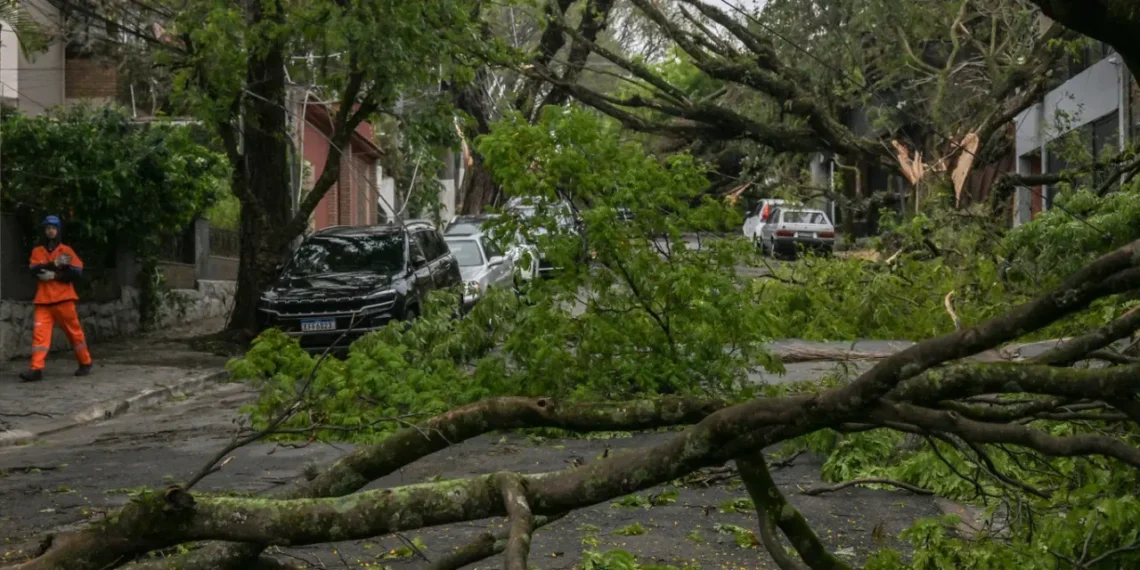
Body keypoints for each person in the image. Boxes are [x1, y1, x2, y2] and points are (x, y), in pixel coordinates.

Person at [19, 216, 93, 382]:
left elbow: (77, 272)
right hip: (43, 301)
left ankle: (85, 362)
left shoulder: (66, 250)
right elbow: (34, 270)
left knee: (74, 333)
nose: (50, 231)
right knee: (40, 336)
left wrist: (55, 275)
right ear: (44, 231)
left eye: (53, 228)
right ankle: (36, 369)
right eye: (48, 228)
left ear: (58, 230)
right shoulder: (38, 251)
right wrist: (54, 265)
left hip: (64, 299)